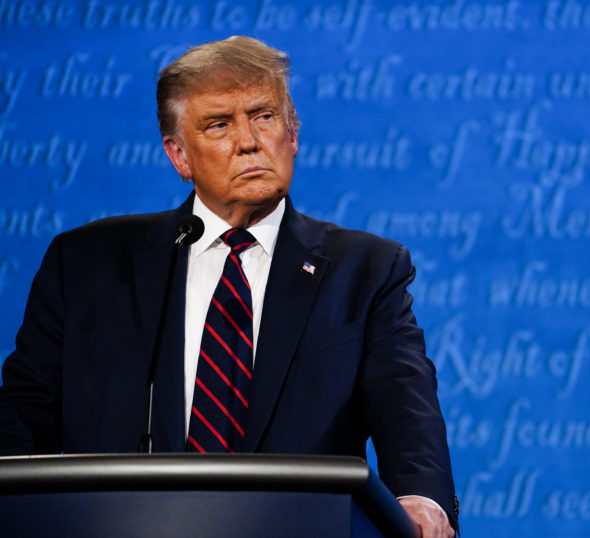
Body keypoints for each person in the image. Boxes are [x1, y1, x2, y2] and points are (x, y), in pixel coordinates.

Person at [0, 36, 458, 537]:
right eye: (219, 124)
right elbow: (23, 415)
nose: (248, 140)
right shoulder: (88, 264)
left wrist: (422, 500)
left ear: (293, 134)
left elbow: (405, 403)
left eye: (263, 116)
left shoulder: (364, 270)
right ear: (179, 156)